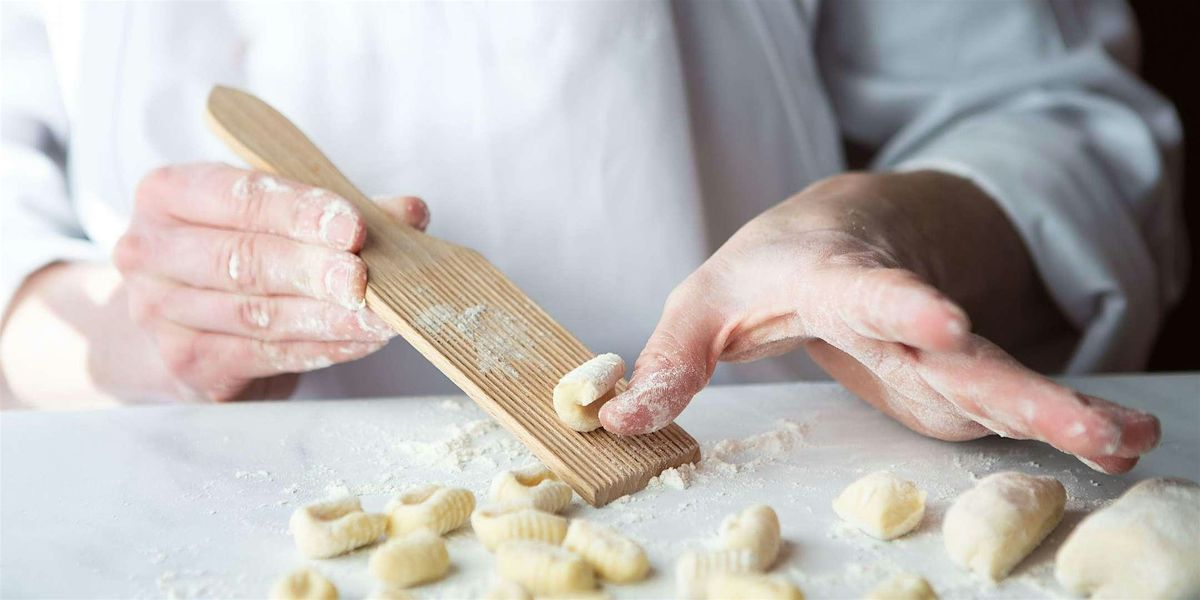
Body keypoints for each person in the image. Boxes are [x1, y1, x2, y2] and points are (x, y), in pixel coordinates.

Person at [0, 1, 1183, 475]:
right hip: (167, 492)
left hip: (774, 461)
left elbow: (1049, 119)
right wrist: (121, 347)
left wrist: (882, 234)